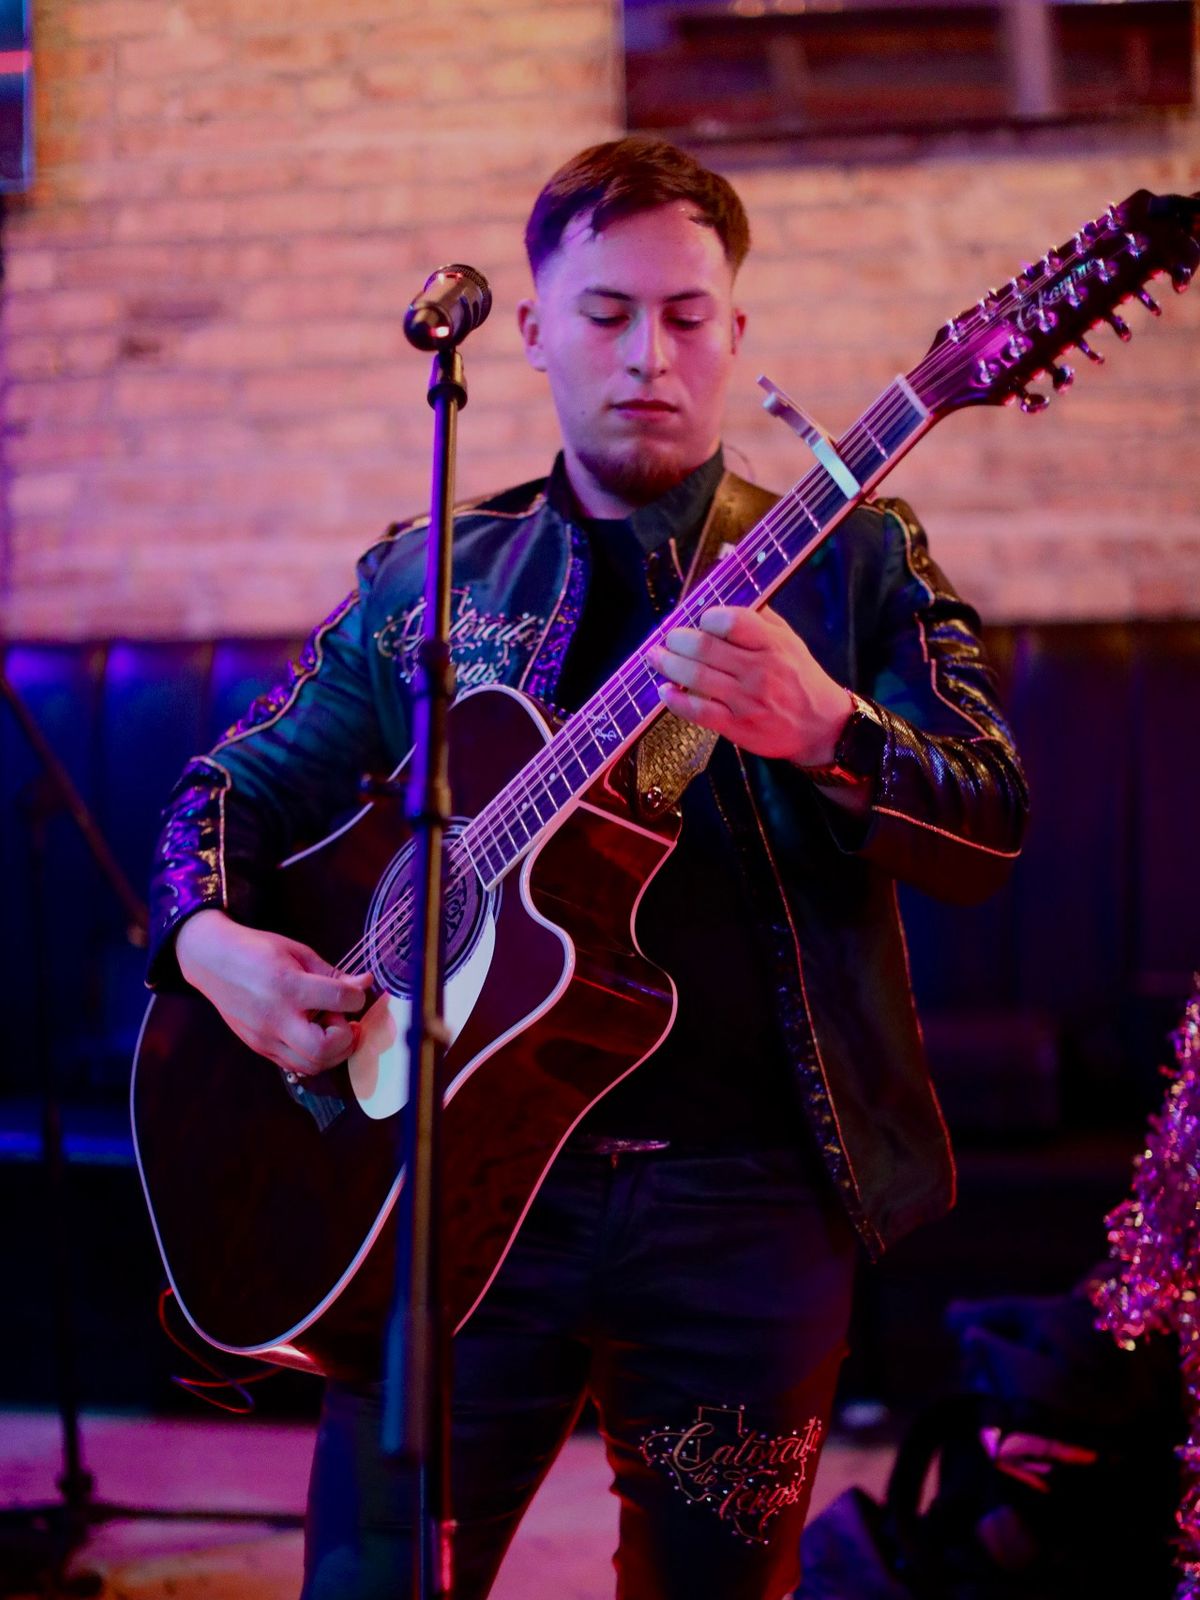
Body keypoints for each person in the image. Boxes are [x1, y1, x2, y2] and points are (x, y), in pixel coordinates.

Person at [146, 138, 1028, 1600]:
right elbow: (227, 790)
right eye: (607, 313)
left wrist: (832, 733)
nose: (648, 356)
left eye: (687, 316)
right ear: (536, 330)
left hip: (745, 1216)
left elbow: (992, 818)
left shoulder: (856, 560)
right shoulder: (429, 577)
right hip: (443, 1211)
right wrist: (208, 947)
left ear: (736, 333)